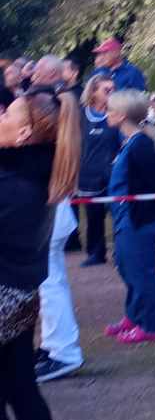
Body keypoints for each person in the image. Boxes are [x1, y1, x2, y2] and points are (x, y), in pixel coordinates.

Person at [0, 87, 81, 420]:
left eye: (6, 112)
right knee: (20, 388)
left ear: (25, 130)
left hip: (5, 292)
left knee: (14, 392)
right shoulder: (33, 172)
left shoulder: (15, 184)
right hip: (20, 294)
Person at [27, 59, 83, 382]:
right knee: (51, 285)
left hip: (48, 218)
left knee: (50, 287)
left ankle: (63, 352)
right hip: (54, 216)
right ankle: (56, 347)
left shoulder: (44, 142)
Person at [101, 90, 155, 345]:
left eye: (109, 110)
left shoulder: (140, 144)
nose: (106, 114)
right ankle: (133, 315)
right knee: (127, 267)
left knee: (141, 272)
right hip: (125, 218)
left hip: (139, 219)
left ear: (122, 115)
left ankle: (151, 325)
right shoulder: (130, 141)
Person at [76, 74, 121, 267]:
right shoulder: (80, 115)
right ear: (93, 91)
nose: (111, 93)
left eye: (113, 90)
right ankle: (96, 252)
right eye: (106, 90)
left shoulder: (118, 114)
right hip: (88, 174)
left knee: (119, 214)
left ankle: (122, 252)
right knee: (93, 216)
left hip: (114, 173)